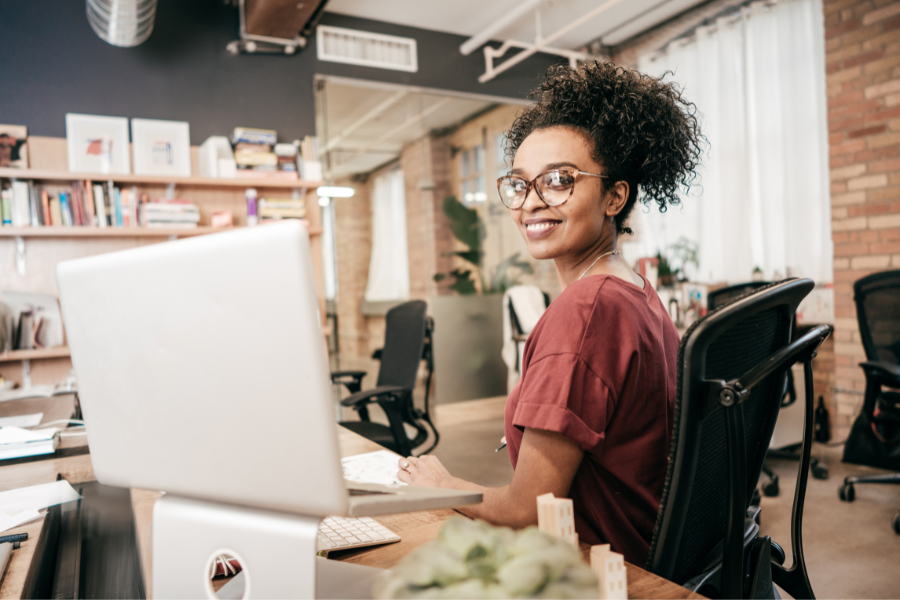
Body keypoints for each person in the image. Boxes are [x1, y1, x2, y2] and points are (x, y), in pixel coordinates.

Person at [397, 60, 703, 566]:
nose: (532, 203)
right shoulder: (635, 290)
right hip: (651, 545)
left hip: (604, 566)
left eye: (560, 180)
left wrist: (443, 483)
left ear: (614, 196)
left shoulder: (586, 311)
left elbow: (527, 511)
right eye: (520, 184)